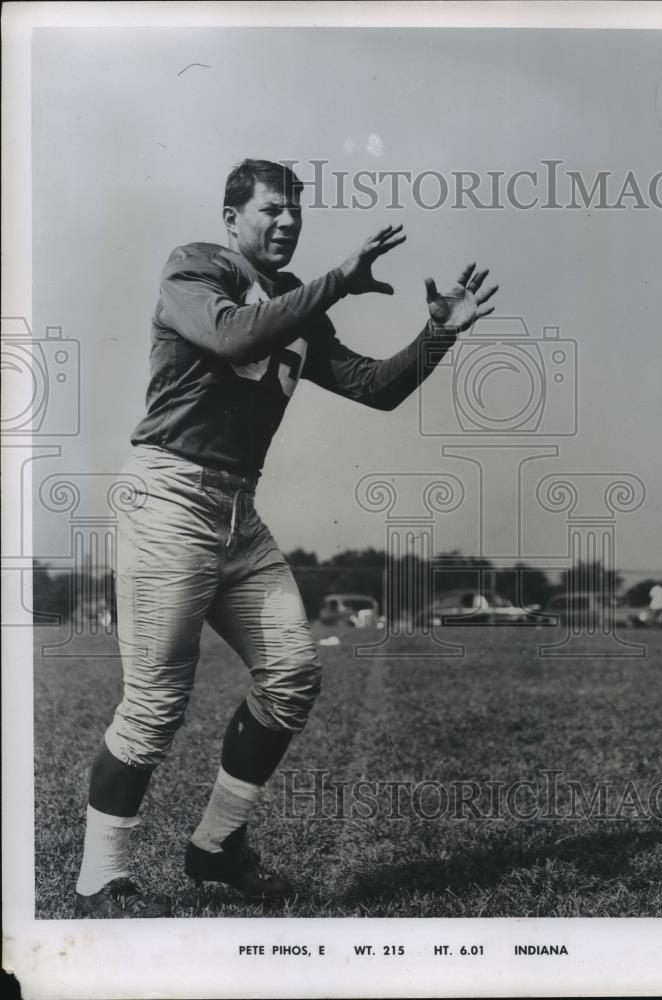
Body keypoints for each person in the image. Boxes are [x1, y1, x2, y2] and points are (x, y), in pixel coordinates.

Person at [73, 159, 498, 917]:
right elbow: (232, 338)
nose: (288, 222)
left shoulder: (299, 302)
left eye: (296, 211)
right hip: (169, 494)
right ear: (232, 216)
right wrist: (334, 280)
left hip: (238, 509)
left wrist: (437, 336)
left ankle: (215, 845)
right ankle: (101, 876)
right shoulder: (196, 266)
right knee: (156, 705)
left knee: (293, 675)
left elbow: (376, 387)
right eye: (273, 209)